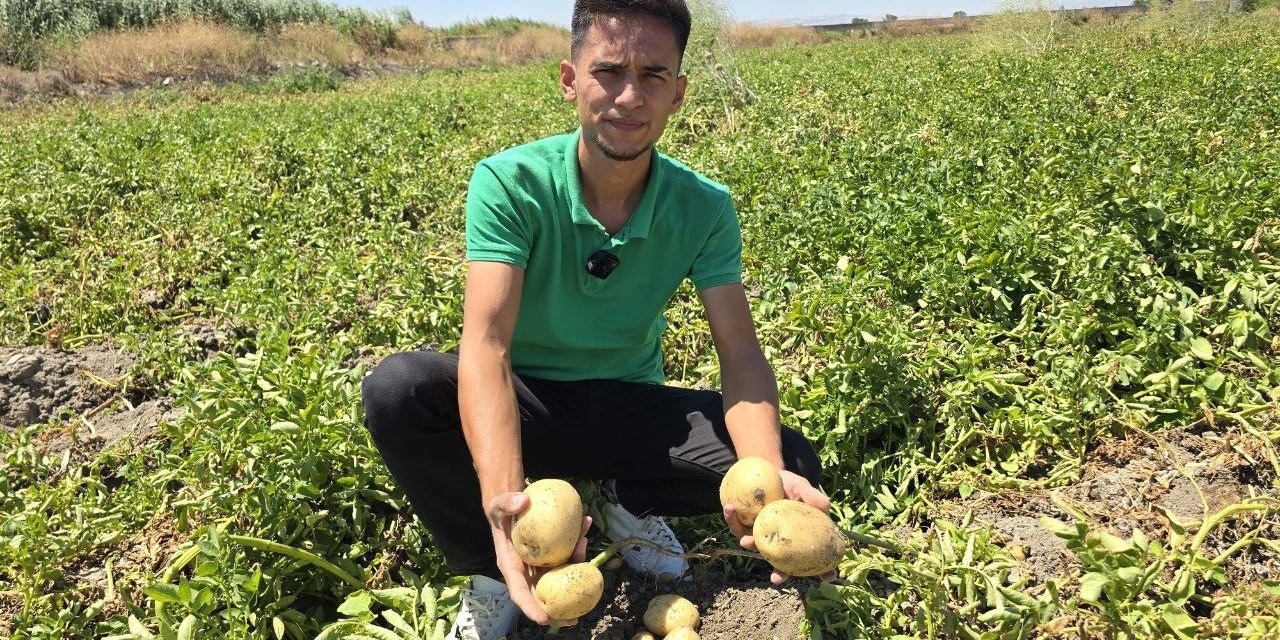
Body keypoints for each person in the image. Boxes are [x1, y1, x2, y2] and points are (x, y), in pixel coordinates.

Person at [360, 1, 830, 638]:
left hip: (628, 406)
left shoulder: (705, 206)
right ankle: (492, 569)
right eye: (608, 71)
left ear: (679, 93)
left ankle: (625, 501)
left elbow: (741, 357)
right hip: (531, 407)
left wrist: (763, 484)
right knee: (399, 391)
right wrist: (503, 498)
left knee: (789, 456)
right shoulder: (510, 183)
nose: (629, 96)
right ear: (570, 79)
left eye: (654, 76)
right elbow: (488, 345)